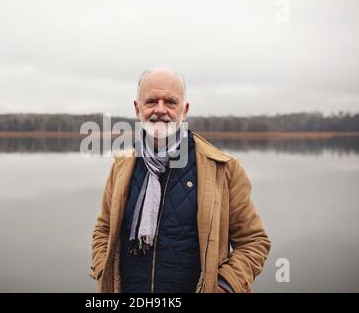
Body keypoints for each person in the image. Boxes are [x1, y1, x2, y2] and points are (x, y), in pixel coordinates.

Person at [90, 67, 271, 293]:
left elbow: (253, 242)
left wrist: (224, 287)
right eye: (151, 101)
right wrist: (102, 271)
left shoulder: (223, 169)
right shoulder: (122, 166)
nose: (160, 109)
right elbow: (103, 230)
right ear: (137, 109)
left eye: (170, 102)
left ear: (184, 110)